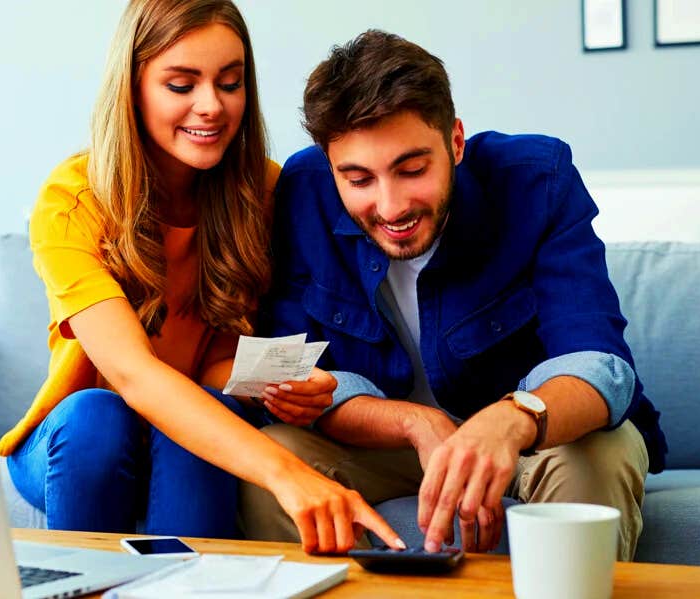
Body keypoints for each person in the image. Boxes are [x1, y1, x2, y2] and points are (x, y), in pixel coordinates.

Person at [242, 30, 667, 561]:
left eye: (412, 169)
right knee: (273, 462)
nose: (390, 206)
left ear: (456, 142)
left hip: (532, 438)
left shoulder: (538, 179)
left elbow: (600, 362)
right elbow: (298, 379)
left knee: (598, 455)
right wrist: (414, 422)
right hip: (389, 445)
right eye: (358, 180)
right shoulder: (303, 192)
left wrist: (513, 419)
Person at [0, 0, 402, 554]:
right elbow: (133, 373)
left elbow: (217, 365)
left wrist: (281, 387)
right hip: (81, 437)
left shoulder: (265, 191)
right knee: (98, 416)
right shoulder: (71, 200)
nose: (211, 106)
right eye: (181, 85)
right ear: (133, 87)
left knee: (203, 419)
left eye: (229, 83)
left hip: (187, 429)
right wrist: (287, 473)